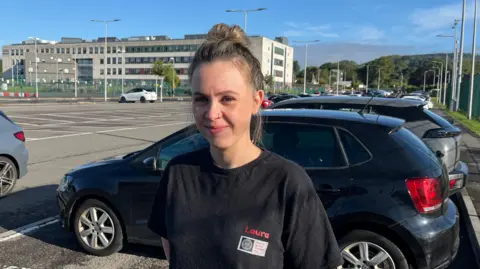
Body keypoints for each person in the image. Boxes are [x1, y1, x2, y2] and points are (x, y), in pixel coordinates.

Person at [147, 23, 343, 269]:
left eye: (227, 98)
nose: (212, 113)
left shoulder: (287, 183)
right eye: (201, 99)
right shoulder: (178, 174)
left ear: (256, 101)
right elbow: (175, 254)